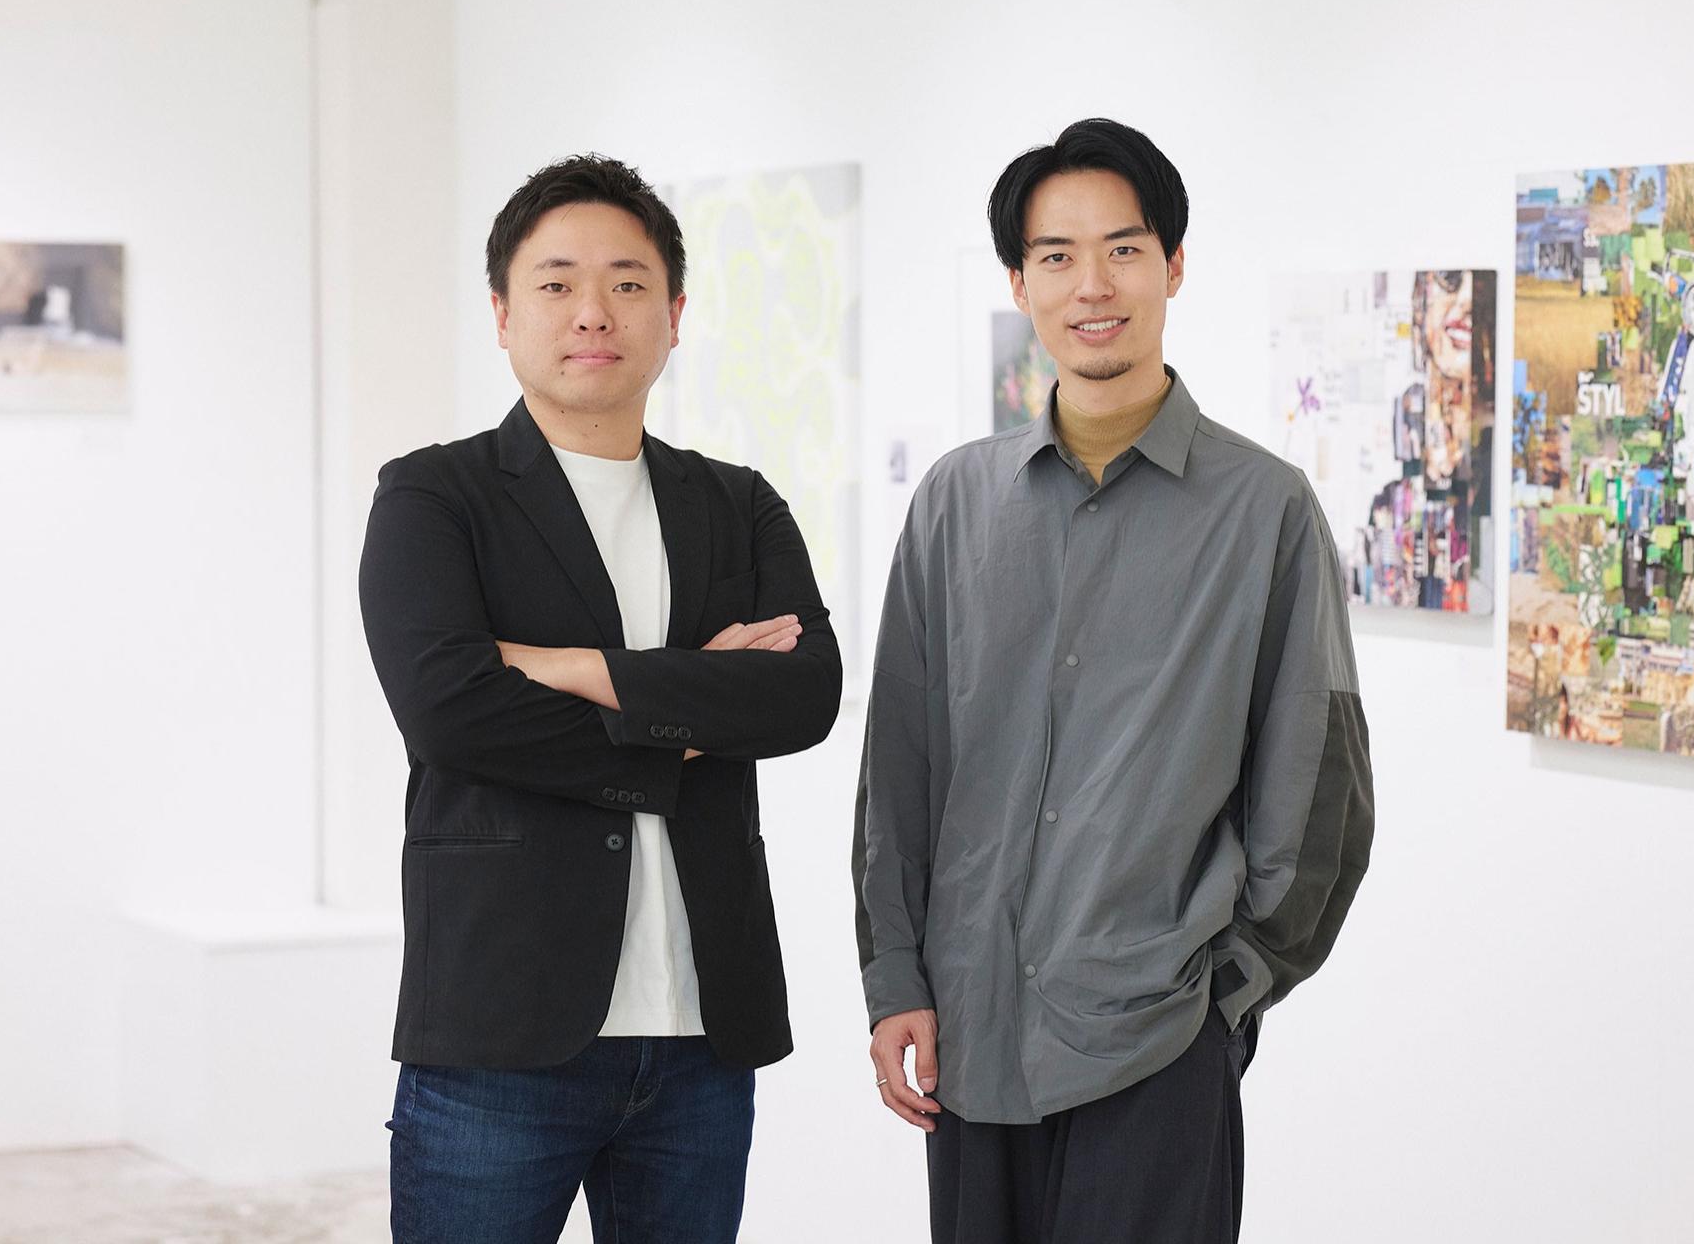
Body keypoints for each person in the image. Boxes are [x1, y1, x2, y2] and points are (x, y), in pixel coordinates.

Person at [853, 118, 1374, 1243]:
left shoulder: (1266, 511)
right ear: (1020, 282)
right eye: (1057, 256)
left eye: (1124, 249)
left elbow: (1317, 792)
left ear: (1173, 266)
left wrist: (1223, 998)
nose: (1092, 285)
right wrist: (896, 974)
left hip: (1156, 1048)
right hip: (971, 1038)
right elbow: (899, 770)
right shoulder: (953, 504)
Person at [360, 153, 841, 1243]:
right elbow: (450, 710)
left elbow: (804, 695)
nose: (593, 312)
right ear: (502, 314)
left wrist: (573, 666)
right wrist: (691, 709)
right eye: (557, 283)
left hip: (701, 1035)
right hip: (500, 1032)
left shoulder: (737, 502)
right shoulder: (434, 495)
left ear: (674, 315)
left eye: (627, 283)